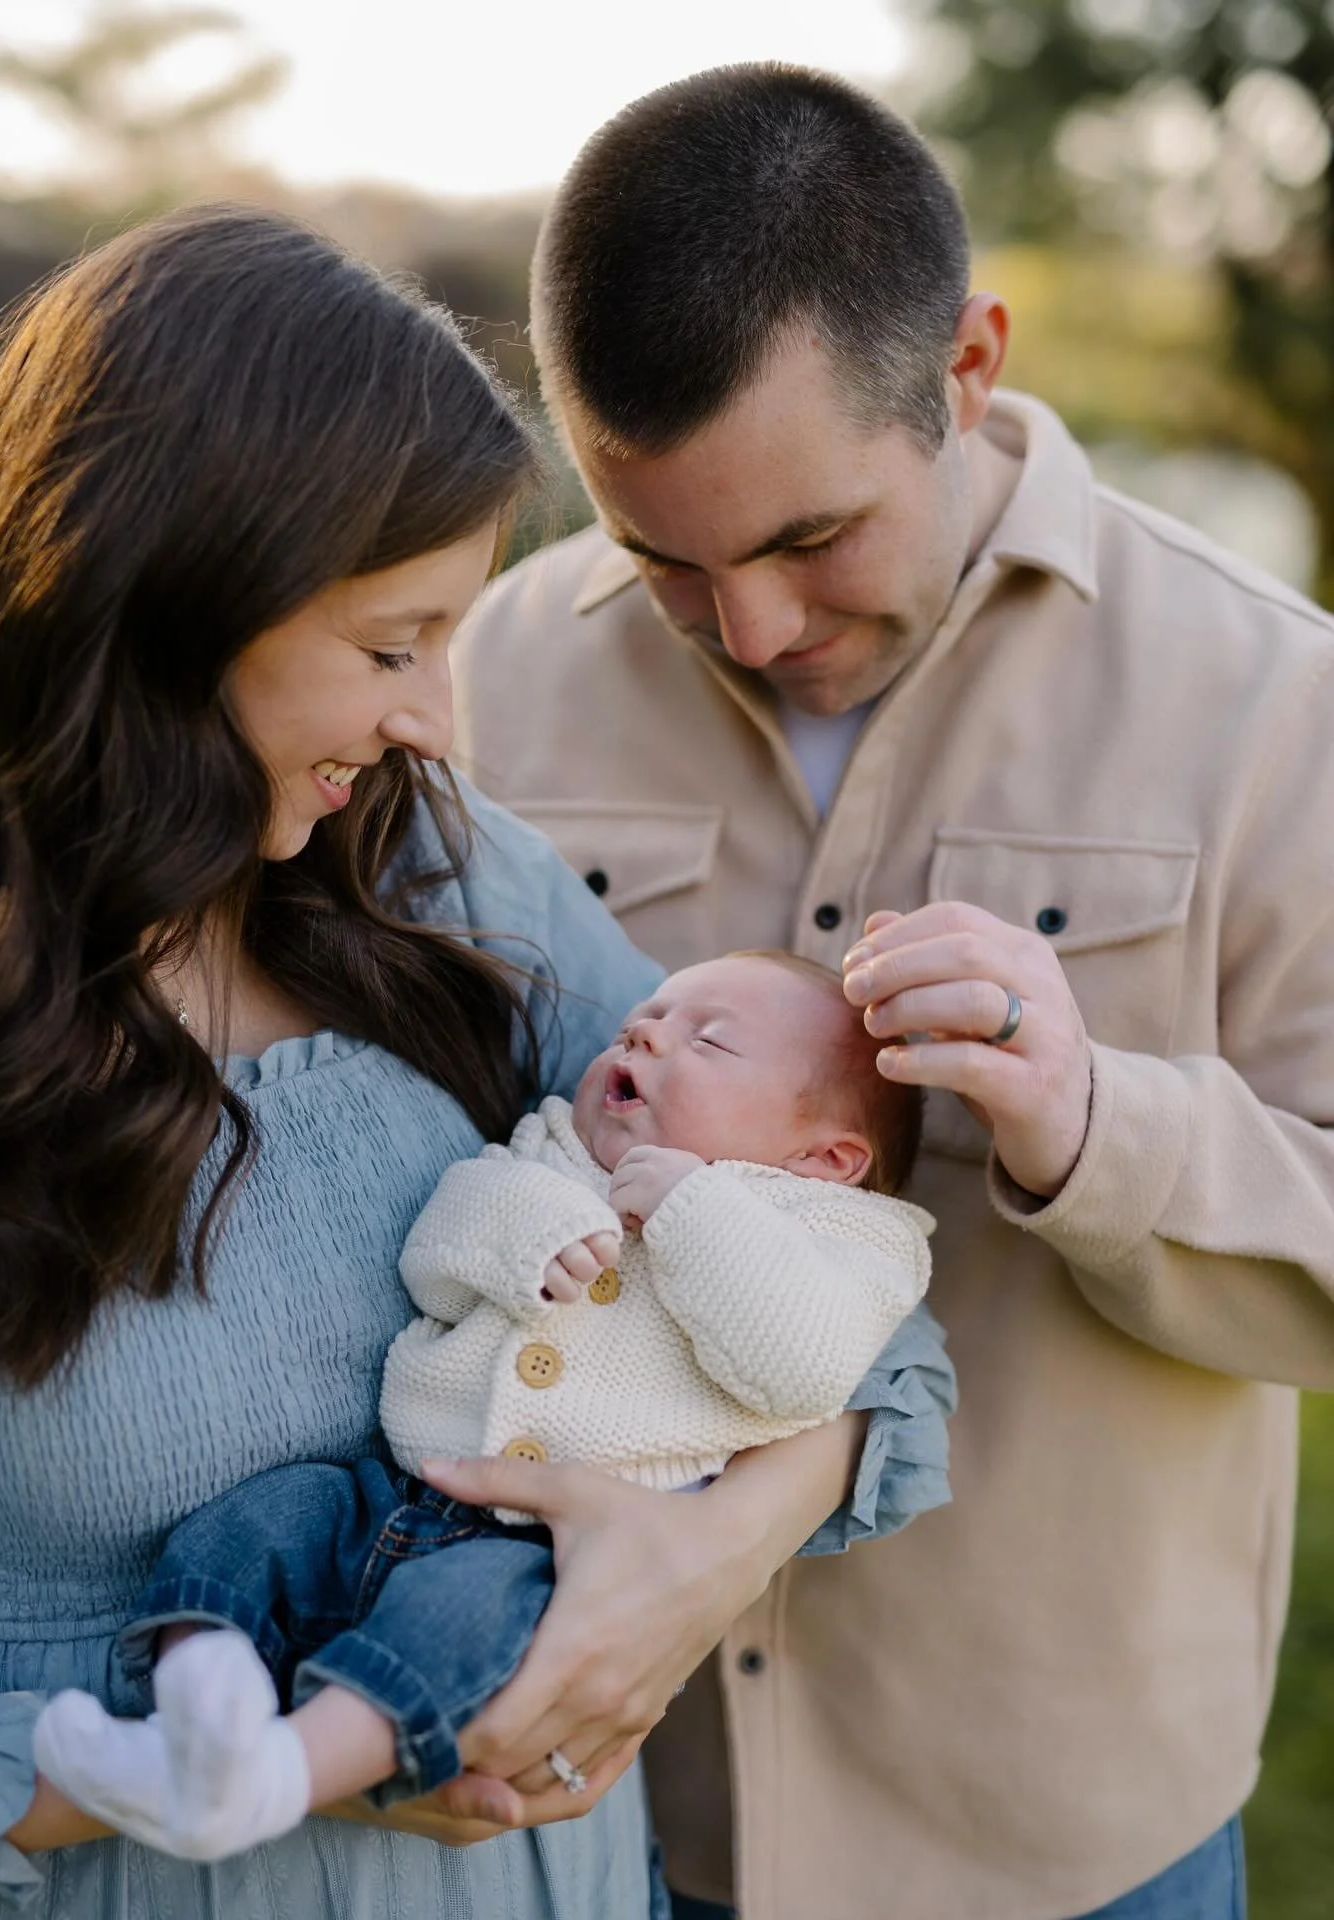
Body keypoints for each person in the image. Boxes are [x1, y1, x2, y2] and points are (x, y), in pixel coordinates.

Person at [0, 204, 956, 1920]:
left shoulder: (441, 876)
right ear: (167, 608)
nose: (440, 724)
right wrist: (259, 1779)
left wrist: (686, 1568)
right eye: (395, 649)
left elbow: (853, 1302)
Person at [451, 61, 1334, 1920]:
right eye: (665, 563)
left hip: (1069, 1840)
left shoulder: (1277, 709)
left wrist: (1103, 1124)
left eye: (807, 541)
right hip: (605, 1814)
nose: (753, 632)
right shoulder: (488, 679)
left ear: (969, 363)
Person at [28, 950, 934, 1861]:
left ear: (825, 1157)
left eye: (708, 1041)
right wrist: (528, 1236)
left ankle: (283, 1769)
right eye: (642, 1021)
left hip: (545, 1554)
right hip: (395, 1488)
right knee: (259, 1522)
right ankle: (198, 1699)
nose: (644, 1033)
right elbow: (441, 1251)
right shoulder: (554, 1151)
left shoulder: (846, 1241)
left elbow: (802, 1369)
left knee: (457, 1633)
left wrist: (693, 1207)